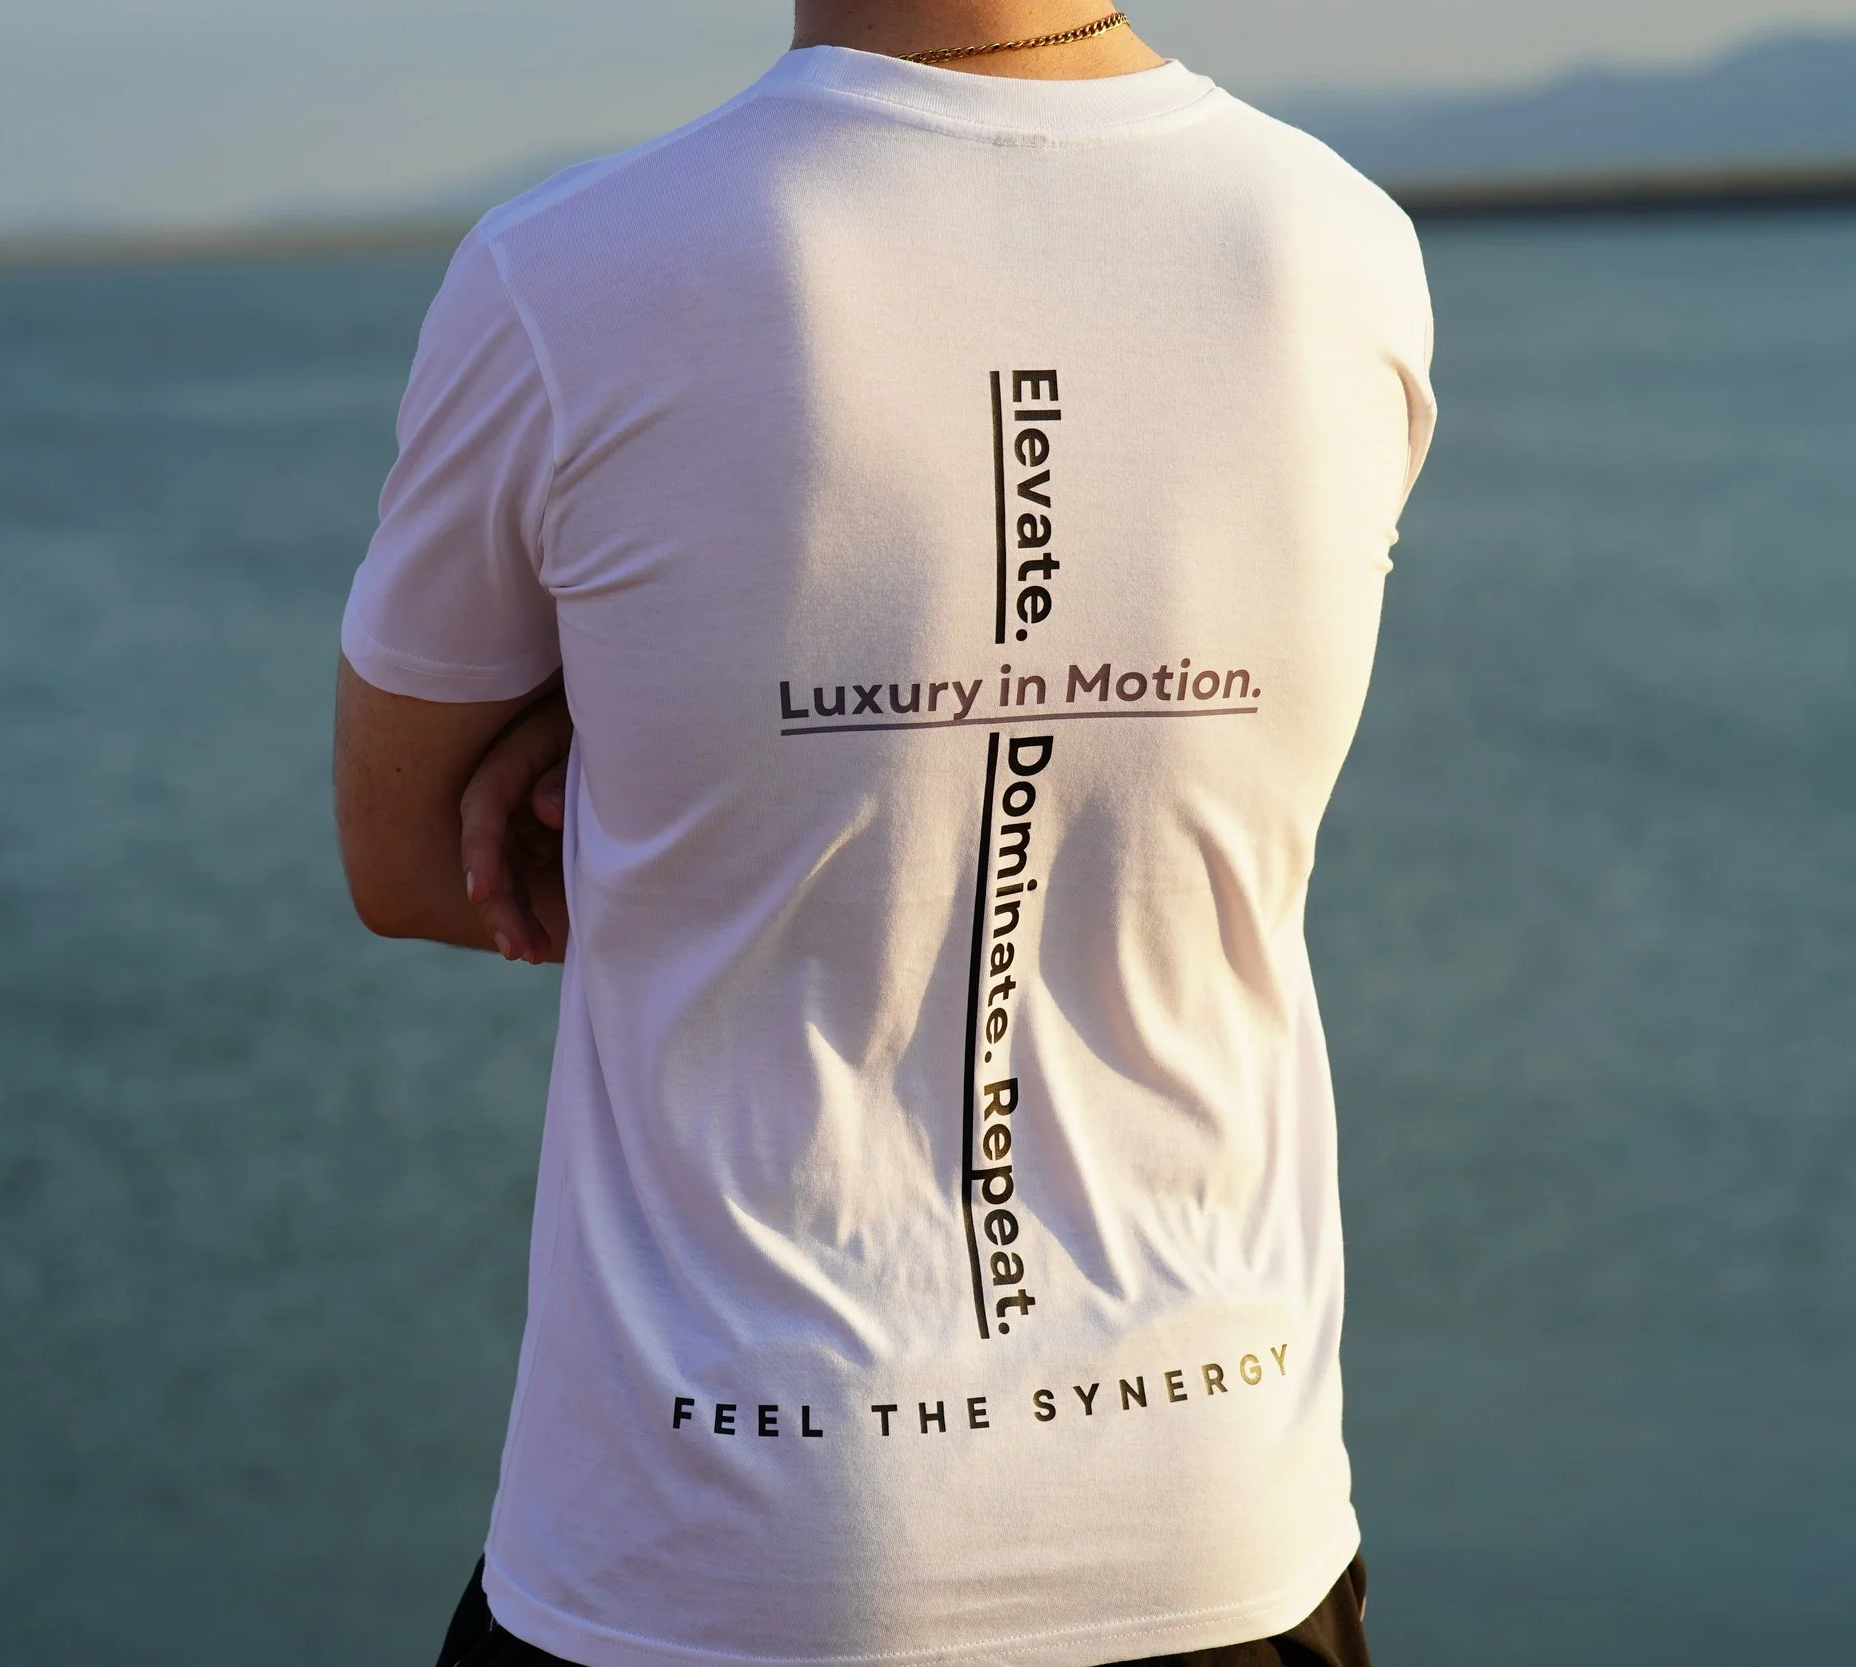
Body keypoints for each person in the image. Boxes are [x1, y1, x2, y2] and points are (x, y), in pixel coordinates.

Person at [333, 3, 1436, 1663]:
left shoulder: (567, 275)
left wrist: (635, 723)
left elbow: (413, 860)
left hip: (721, 1553)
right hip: (1219, 1524)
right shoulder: (1340, 246)